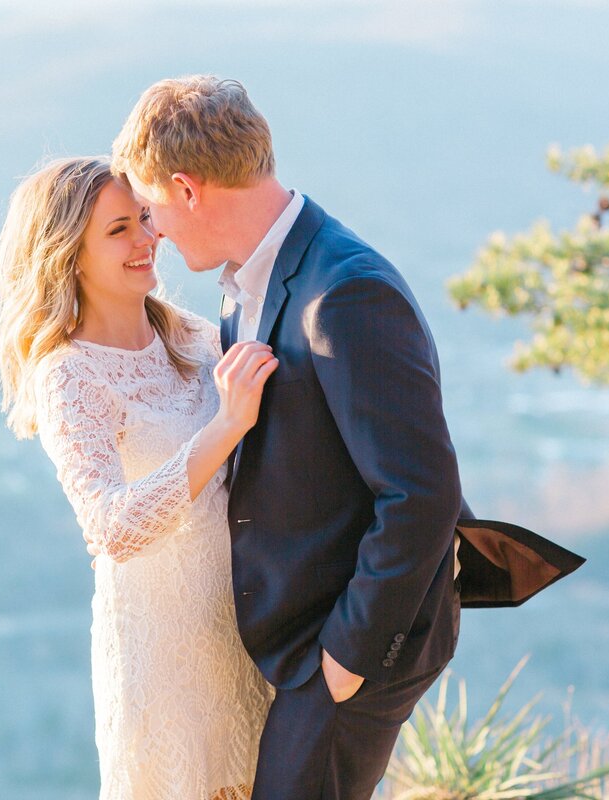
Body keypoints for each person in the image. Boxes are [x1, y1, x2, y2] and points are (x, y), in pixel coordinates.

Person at [107, 75, 467, 800]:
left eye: (149, 211)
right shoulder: (252, 282)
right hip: (306, 638)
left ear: (187, 189)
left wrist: (346, 659)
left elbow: (422, 495)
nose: (155, 234)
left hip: (353, 641)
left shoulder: (344, 291)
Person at [0, 155, 277, 800]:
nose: (148, 239)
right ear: (68, 253)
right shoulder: (67, 375)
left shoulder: (193, 336)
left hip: (251, 631)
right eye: (119, 229)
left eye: (145, 218)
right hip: (165, 656)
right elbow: (111, 528)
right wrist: (223, 427)